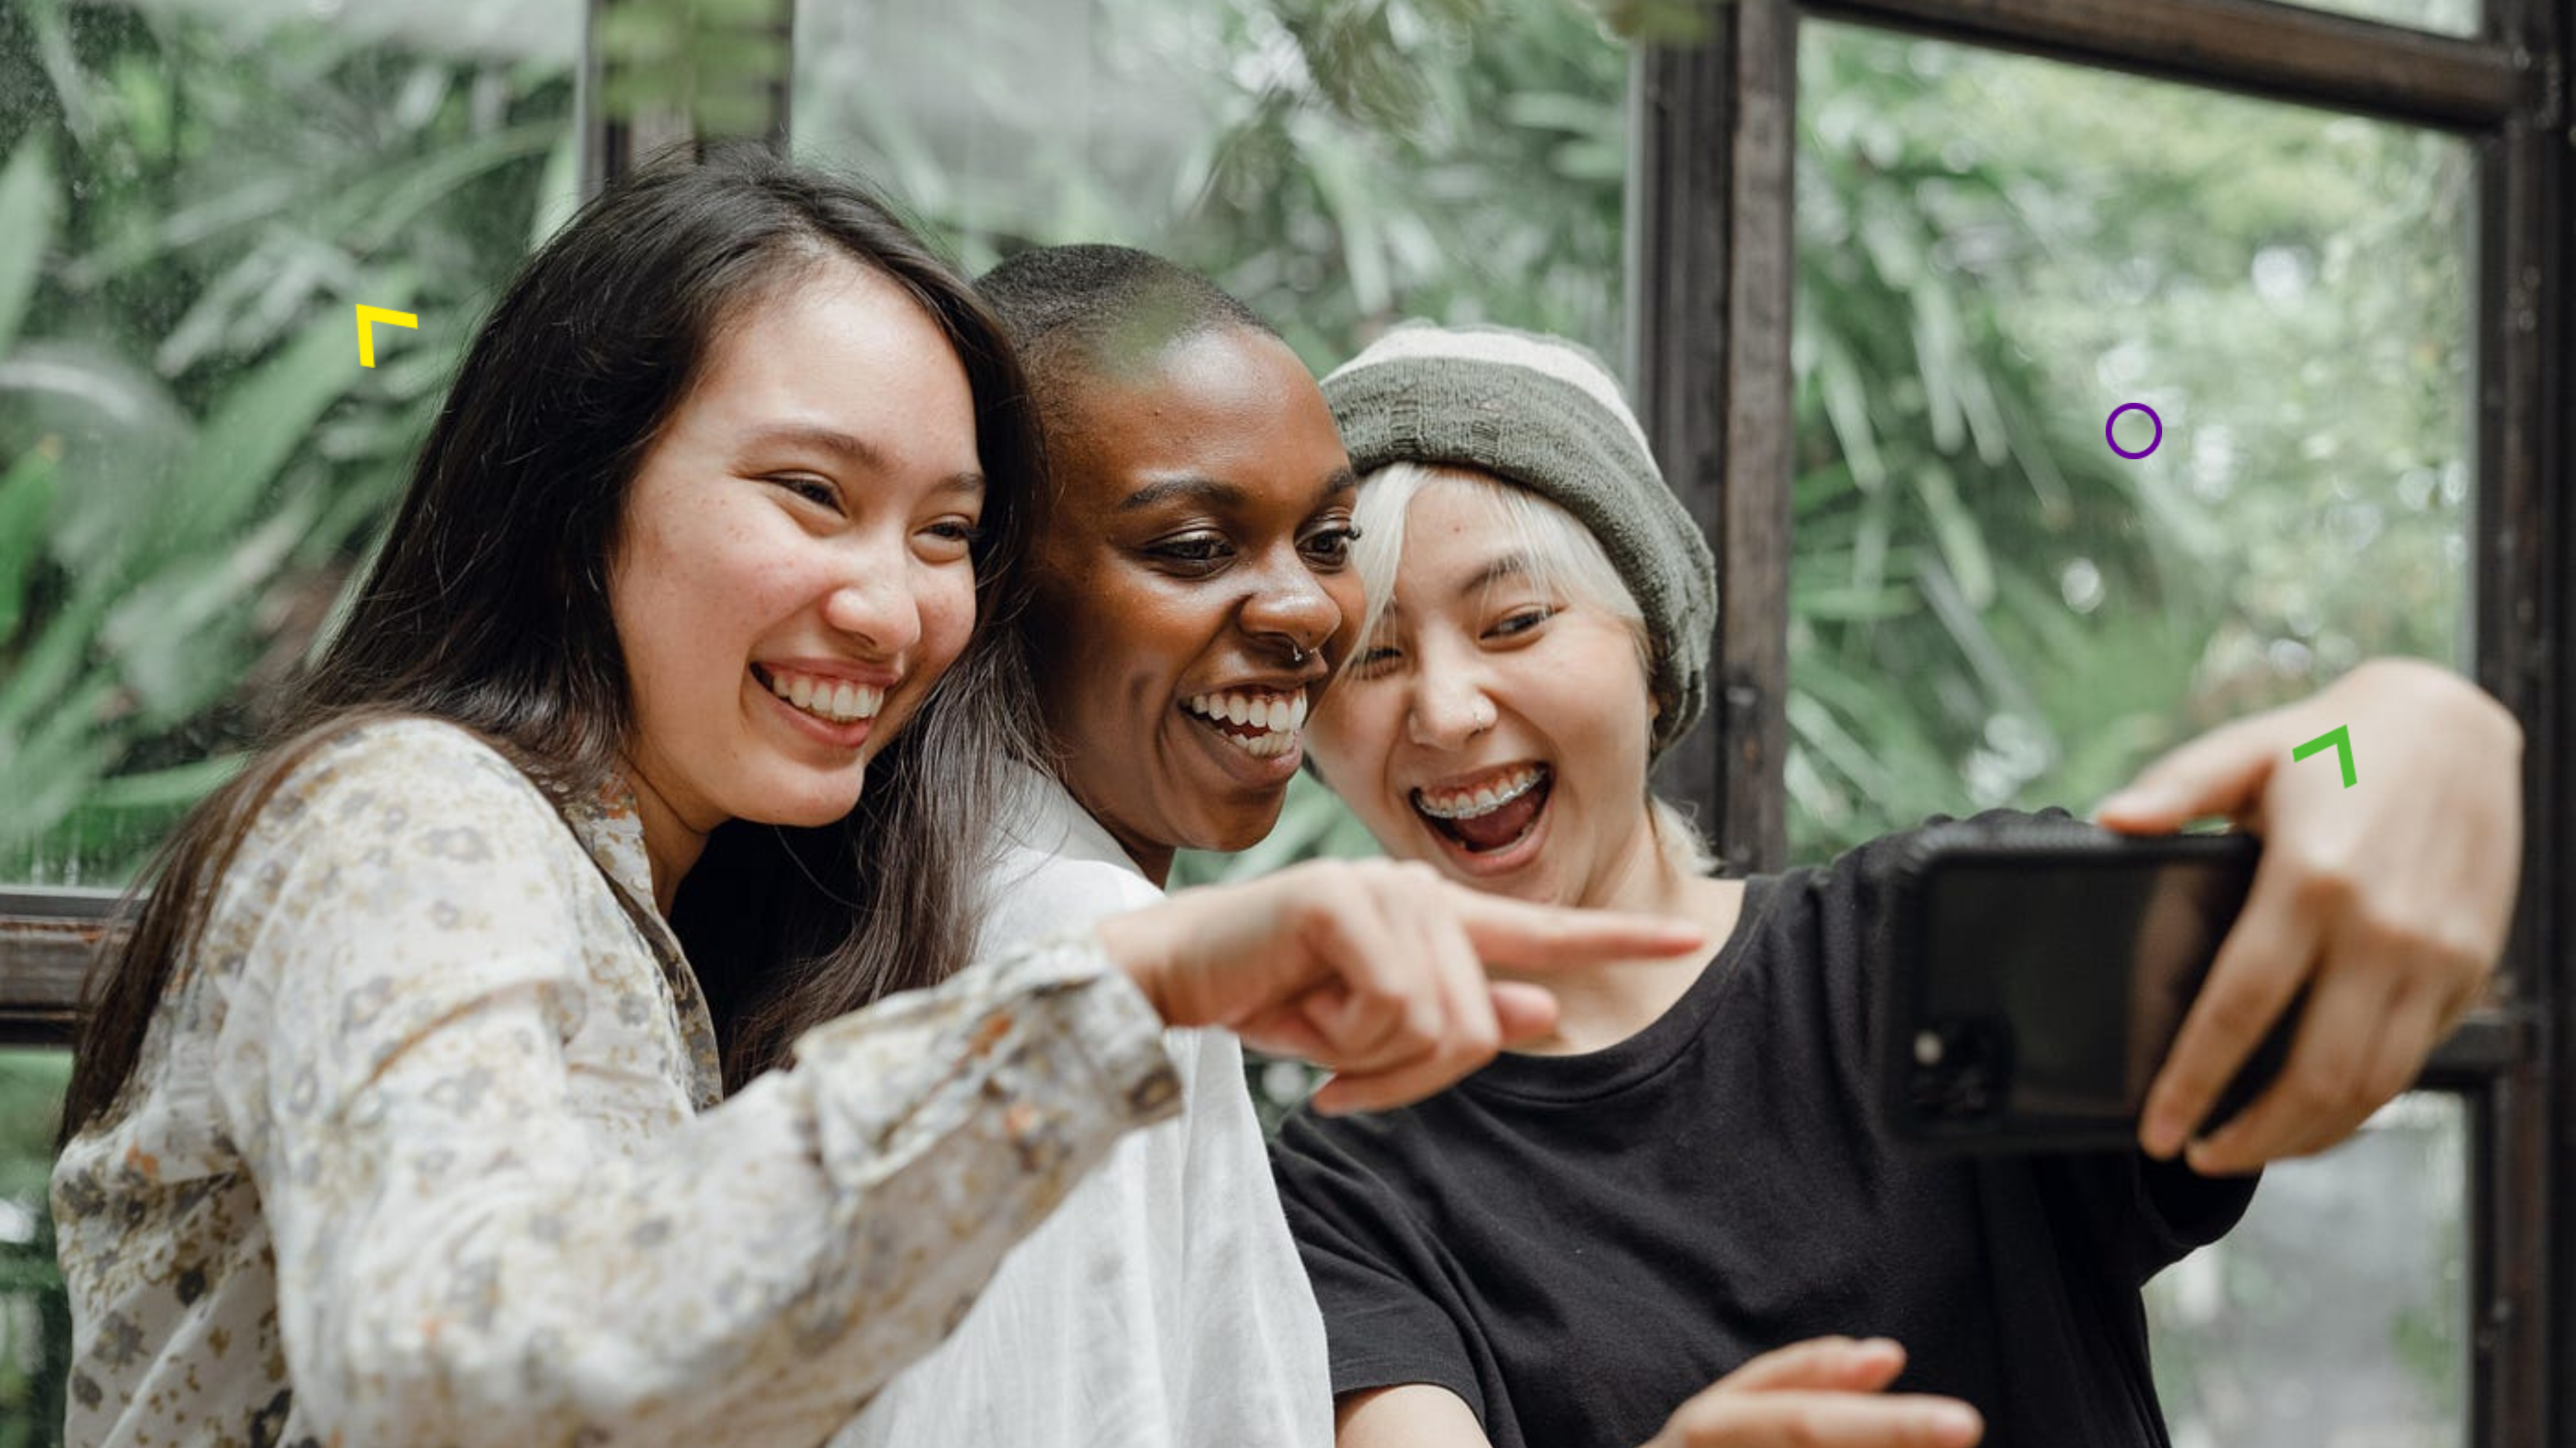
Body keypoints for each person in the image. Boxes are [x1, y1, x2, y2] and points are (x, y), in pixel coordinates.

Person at [46, 170, 1704, 1448]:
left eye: (942, 533)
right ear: (577, 502)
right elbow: (449, 1363)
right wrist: (1120, 1002)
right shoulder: (411, 818)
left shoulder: (677, 904)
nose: (889, 603)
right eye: (812, 496)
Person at [1267, 322, 2522, 1448]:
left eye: (1514, 622)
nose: (1441, 709)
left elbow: (2300, 805)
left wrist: (2398, 724)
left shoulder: (1939, 945)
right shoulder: (1347, 1180)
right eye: (1369, 659)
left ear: (1653, 661)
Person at [838, 244, 1355, 1447]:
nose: (1306, 609)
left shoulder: (948, 905)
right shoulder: (1092, 955)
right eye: (1192, 548)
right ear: (992, 581)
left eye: (1329, 537)